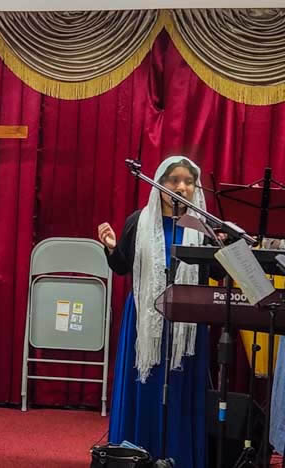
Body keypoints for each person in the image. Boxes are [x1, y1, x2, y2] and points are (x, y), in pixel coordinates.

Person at [97, 156, 209, 467]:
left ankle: (179, 456)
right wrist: (111, 246)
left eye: (188, 182)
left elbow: (213, 273)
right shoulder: (139, 220)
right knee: (144, 388)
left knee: (179, 393)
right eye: (174, 180)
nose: (181, 187)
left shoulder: (202, 225)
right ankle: (134, 455)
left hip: (187, 326)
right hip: (144, 321)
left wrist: (225, 248)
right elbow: (122, 266)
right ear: (160, 184)